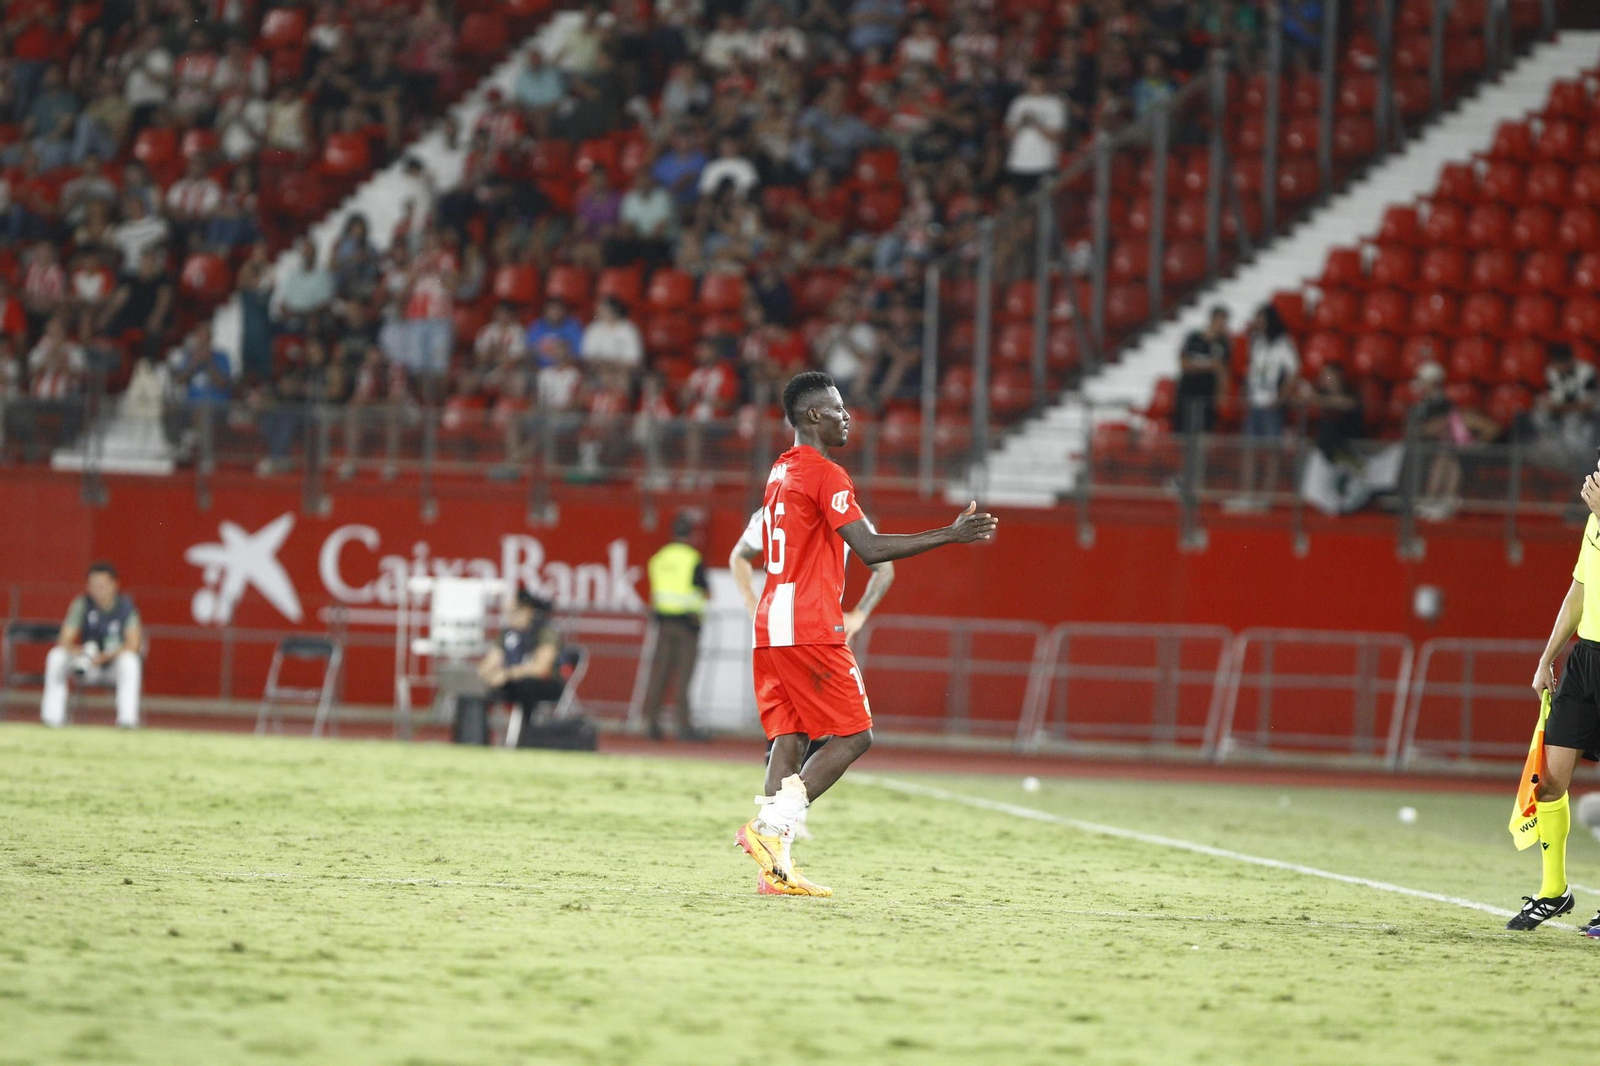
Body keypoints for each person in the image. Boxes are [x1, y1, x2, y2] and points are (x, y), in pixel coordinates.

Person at [735, 371, 997, 897]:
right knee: (856, 733)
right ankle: (770, 828)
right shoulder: (826, 474)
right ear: (813, 416)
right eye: (837, 408)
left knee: (789, 740)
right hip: (811, 625)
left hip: (771, 626)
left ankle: (775, 872)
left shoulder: (779, 472)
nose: (847, 416)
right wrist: (950, 533)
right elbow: (872, 551)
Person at [1517, 452, 1600, 935]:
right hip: (1585, 660)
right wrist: (1548, 656)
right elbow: (1578, 591)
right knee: (1549, 780)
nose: (1594, 476)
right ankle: (1554, 891)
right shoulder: (1592, 524)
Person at [41, 562, 144, 729]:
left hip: (112, 667)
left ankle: (127, 721)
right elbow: (65, 637)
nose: (98, 590)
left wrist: (105, 657)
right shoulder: (82, 604)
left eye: (103, 585)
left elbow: (134, 643)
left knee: (130, 660)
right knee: (56, 655)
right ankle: (52, 718)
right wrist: (79, 651)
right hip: (87, 666)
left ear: (114, 585)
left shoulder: (126, 607)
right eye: (94, 585)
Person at [641, 511, 711, 741]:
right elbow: (704, 591)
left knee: (659, 674)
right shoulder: (692, 558)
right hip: (687, 625)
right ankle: (684, 726)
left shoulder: (659, 558)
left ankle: (651, 723)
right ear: (690, 534)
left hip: (663, 624)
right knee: (683, 677)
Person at [1227, 303, 1298, 513]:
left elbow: (1293, 370)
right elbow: (1253, 369)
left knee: (1271, 452)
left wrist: (1281, 396)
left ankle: (1267, 497)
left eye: (1261, 318)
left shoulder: (1283, 343)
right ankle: (1247, 494)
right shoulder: (1256, 342)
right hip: (1255, 402)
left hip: (1270, 404)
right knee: (1249, 451)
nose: (1257, 322)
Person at [474, 588, 565, 742]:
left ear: (527, 610)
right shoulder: (507, 634)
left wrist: (506, 674)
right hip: (514, 682)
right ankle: (477, 740)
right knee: (478, 691)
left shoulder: (544, 631)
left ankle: (526, 738)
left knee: (527, 686)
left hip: (544, 685)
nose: (509, 617)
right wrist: (484, 675)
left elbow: (540, 668)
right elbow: (491, 660)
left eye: (513, 612)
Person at [1174, 305, 1228, 434]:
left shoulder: (1223, 344)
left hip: (1207, 395)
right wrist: (1210, 365)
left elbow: (1223, 370)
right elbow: (1185, 364)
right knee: (1184, 430)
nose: (1222, 325)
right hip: (1188, 392)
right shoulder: (1194, 338)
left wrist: (1221, 393)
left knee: (1205, 431)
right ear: (1212, 320)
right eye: (1219, 321)